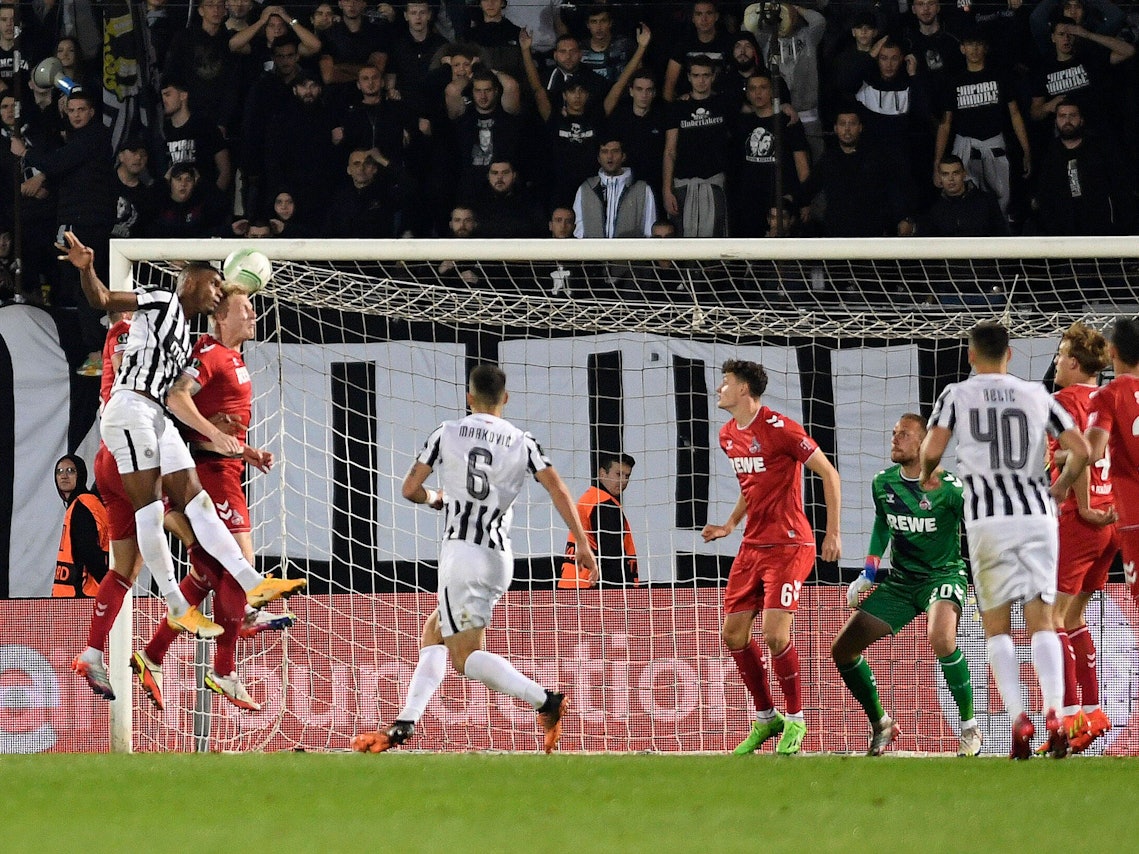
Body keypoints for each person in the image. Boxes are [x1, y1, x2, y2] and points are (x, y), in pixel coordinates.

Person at [62, 232, 305, 701]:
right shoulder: (157, 305)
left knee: (180, 515)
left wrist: (227, 437)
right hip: (130, 414)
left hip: (150, 420)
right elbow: (107, 302)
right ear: (192, 281)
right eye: (214, 283)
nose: (220, 289)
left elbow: (173, 392)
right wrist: (86, 268)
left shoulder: (183, 339)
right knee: (157, 514)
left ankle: (248, 590)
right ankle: (178, 607)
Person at [351, 364, 598, 754]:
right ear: (505, 398)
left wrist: (436, 499)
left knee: (465, 657)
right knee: (434, 633)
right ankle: (404, 724)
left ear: (468, 398)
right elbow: (558, 489)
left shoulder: (447, 432)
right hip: (498, 556)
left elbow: (410, 488)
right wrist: (582, 544)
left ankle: (546, 701)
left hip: (462, 555)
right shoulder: (522, 440)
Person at [921, 320, 1090, 759]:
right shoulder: (1037, 393)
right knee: (1043, 620)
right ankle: (1055, 712)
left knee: (998, 629)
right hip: (1037, 518)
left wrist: (925, 475)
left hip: (987, 521)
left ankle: (1019, 720)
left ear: (971, 355)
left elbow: (934, 448)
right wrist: (1059, 487)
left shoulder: (957, 393)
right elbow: (1082, 450)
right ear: (1010, 354)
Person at [132, 283, 293, 713]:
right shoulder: (208, 356)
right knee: (241, 563)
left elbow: (215, 423)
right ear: (220, 316)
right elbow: (175, 400)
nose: (254, 314)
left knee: (207, 575)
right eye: (245, 307)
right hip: (209, 476)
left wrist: (246, 450)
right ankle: (224, 667)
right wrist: (212, 433)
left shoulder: (234, 358)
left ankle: (153, 652)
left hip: (228, 469)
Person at [702, 359, 842, 755]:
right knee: (732, 634)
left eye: (725, 382)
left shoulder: (781, 429)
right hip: (752, 545)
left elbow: (829, 474)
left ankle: (796, 720)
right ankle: (766, 718)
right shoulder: (728, 434)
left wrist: (832, 532)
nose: (720, 389)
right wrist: (730, 525)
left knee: (776, 635)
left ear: (744, 389)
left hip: (791, 544)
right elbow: (753, 487)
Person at [832, 414, 980, 757]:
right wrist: (868, 573)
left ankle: (970, 728)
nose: (895, 439)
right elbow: (883, 525)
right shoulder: (883, 483)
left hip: (943, 576)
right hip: (901, 582)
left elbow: (978, 527)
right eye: (894, 433)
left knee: (940, 637)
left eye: (905, 434)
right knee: (842, 649)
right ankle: (881, 723)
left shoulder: (950, 488)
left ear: (924, 444)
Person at [1042, 322, 1116, 754]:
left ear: (1073, 362)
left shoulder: (1064, 401)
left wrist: (1084, 504)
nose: (1055, 362)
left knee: (1051, 622)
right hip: (1110, 526)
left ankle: (1069, 720)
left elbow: (1077, 454)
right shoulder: (1109, 401)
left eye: (1059, 355)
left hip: (1078, 519)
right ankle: (1093, 711)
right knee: (1072, 620)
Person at [932, 27, 1031, 219]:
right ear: (962, 48)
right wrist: (937, 160)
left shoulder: (1000, 76)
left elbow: (1015, 114)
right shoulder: (954, 82)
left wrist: (1026, 150)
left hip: (995, 144)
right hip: (965, 147)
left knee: (1003, 198)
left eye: (978, 45)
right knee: (964, 199)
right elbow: (945, 124)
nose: (974, 49)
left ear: (985, 48)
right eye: (970, 45)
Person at [1033, 100, 1134, 236]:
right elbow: (1044, 195)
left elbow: (1120, 187)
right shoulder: (1049, 154)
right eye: (1062, 116)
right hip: (1062, 233)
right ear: (1056, 120)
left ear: (1081, 119)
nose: (1067, 121)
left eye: (1072, 115)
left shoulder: (1100, 150)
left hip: (1101, 230)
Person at [662, 55, 733, 237]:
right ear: (688, 77)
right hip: (683, 185)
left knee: (715, 244)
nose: (701, 80)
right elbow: (670, 151)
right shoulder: (677, 108)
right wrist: (667, 189)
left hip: (715, 183)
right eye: (696, 75)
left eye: (705, 75)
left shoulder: (723, 104)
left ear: (713, 77)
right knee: (681, 241)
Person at [558, 452, 638, 588]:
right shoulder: (604, 504)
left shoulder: (590, 498)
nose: (623, 481)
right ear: (602, 473)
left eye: (627, 476)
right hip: (592, 588)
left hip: (572, 584)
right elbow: (612, 557)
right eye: (618, 474)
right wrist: (625, 594)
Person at [572, 136, 656, 238]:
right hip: (594, 252)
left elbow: (650, 230)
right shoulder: (586, 189)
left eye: (615, 151)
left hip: (629, 252)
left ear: (623, 156)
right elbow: (578, 231)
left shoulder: (642, 189)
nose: (609, 156)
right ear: (598, 158)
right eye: (604, 151)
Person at [51, 454, 109, 598]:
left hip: (83, 593)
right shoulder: (85, 503)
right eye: (59, 471)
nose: (64, 475)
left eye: (71, 471)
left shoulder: (82, 505)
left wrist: (109, 586)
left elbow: (88, 550)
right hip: (83, 592)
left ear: (81, 475)